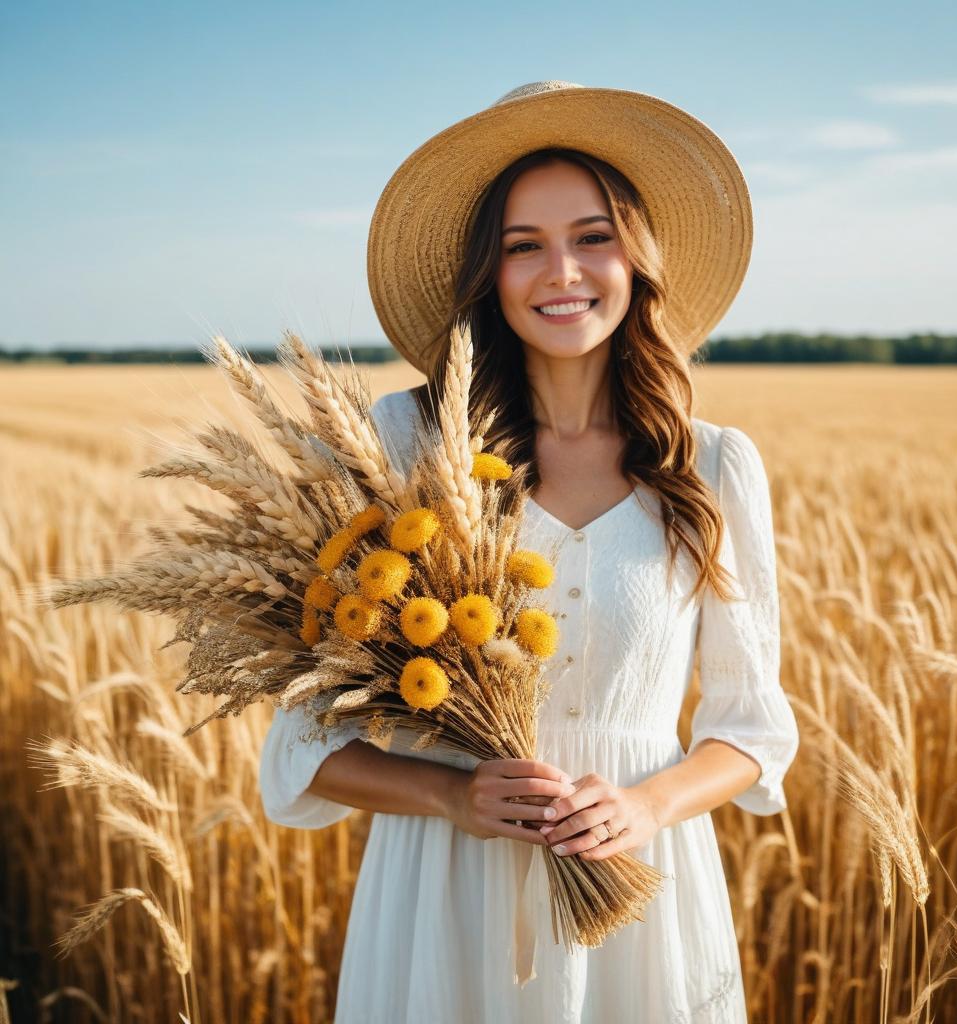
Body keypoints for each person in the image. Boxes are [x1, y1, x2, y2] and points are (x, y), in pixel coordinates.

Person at [259, 80, 800, 1023]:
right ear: (490, 273)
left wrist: (650, 806)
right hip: (445, 891)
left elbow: (751, 728)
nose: (563, 272)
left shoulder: (712, 462)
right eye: (524, 246)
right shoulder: (404, 443)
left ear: (636, 260)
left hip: (639, 887)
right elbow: (303, 745)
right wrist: (453, 795)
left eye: (593, 237)